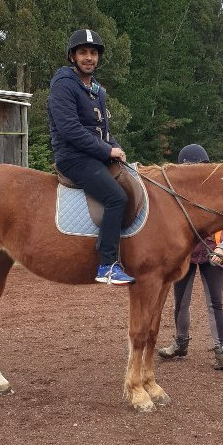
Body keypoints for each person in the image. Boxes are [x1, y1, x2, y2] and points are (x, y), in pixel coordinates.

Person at [48, 28, 135, 285]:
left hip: (94, 154)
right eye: (83, 52)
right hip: (73, 157)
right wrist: (108, 151)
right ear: (72, 56)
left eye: (93, 53)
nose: (89, 57)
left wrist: (116, 148)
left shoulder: (97, 90)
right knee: (116, 198)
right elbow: (70, 129)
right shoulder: (64, 85)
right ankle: (107, 265)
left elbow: (102, 130)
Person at [158, 143, 223, 371]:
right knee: (180, 302)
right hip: (184, 254)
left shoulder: (217, 190)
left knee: (216, 303)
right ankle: (180, 342)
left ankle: (222, 351)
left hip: (213, 253)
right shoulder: (176, 193)